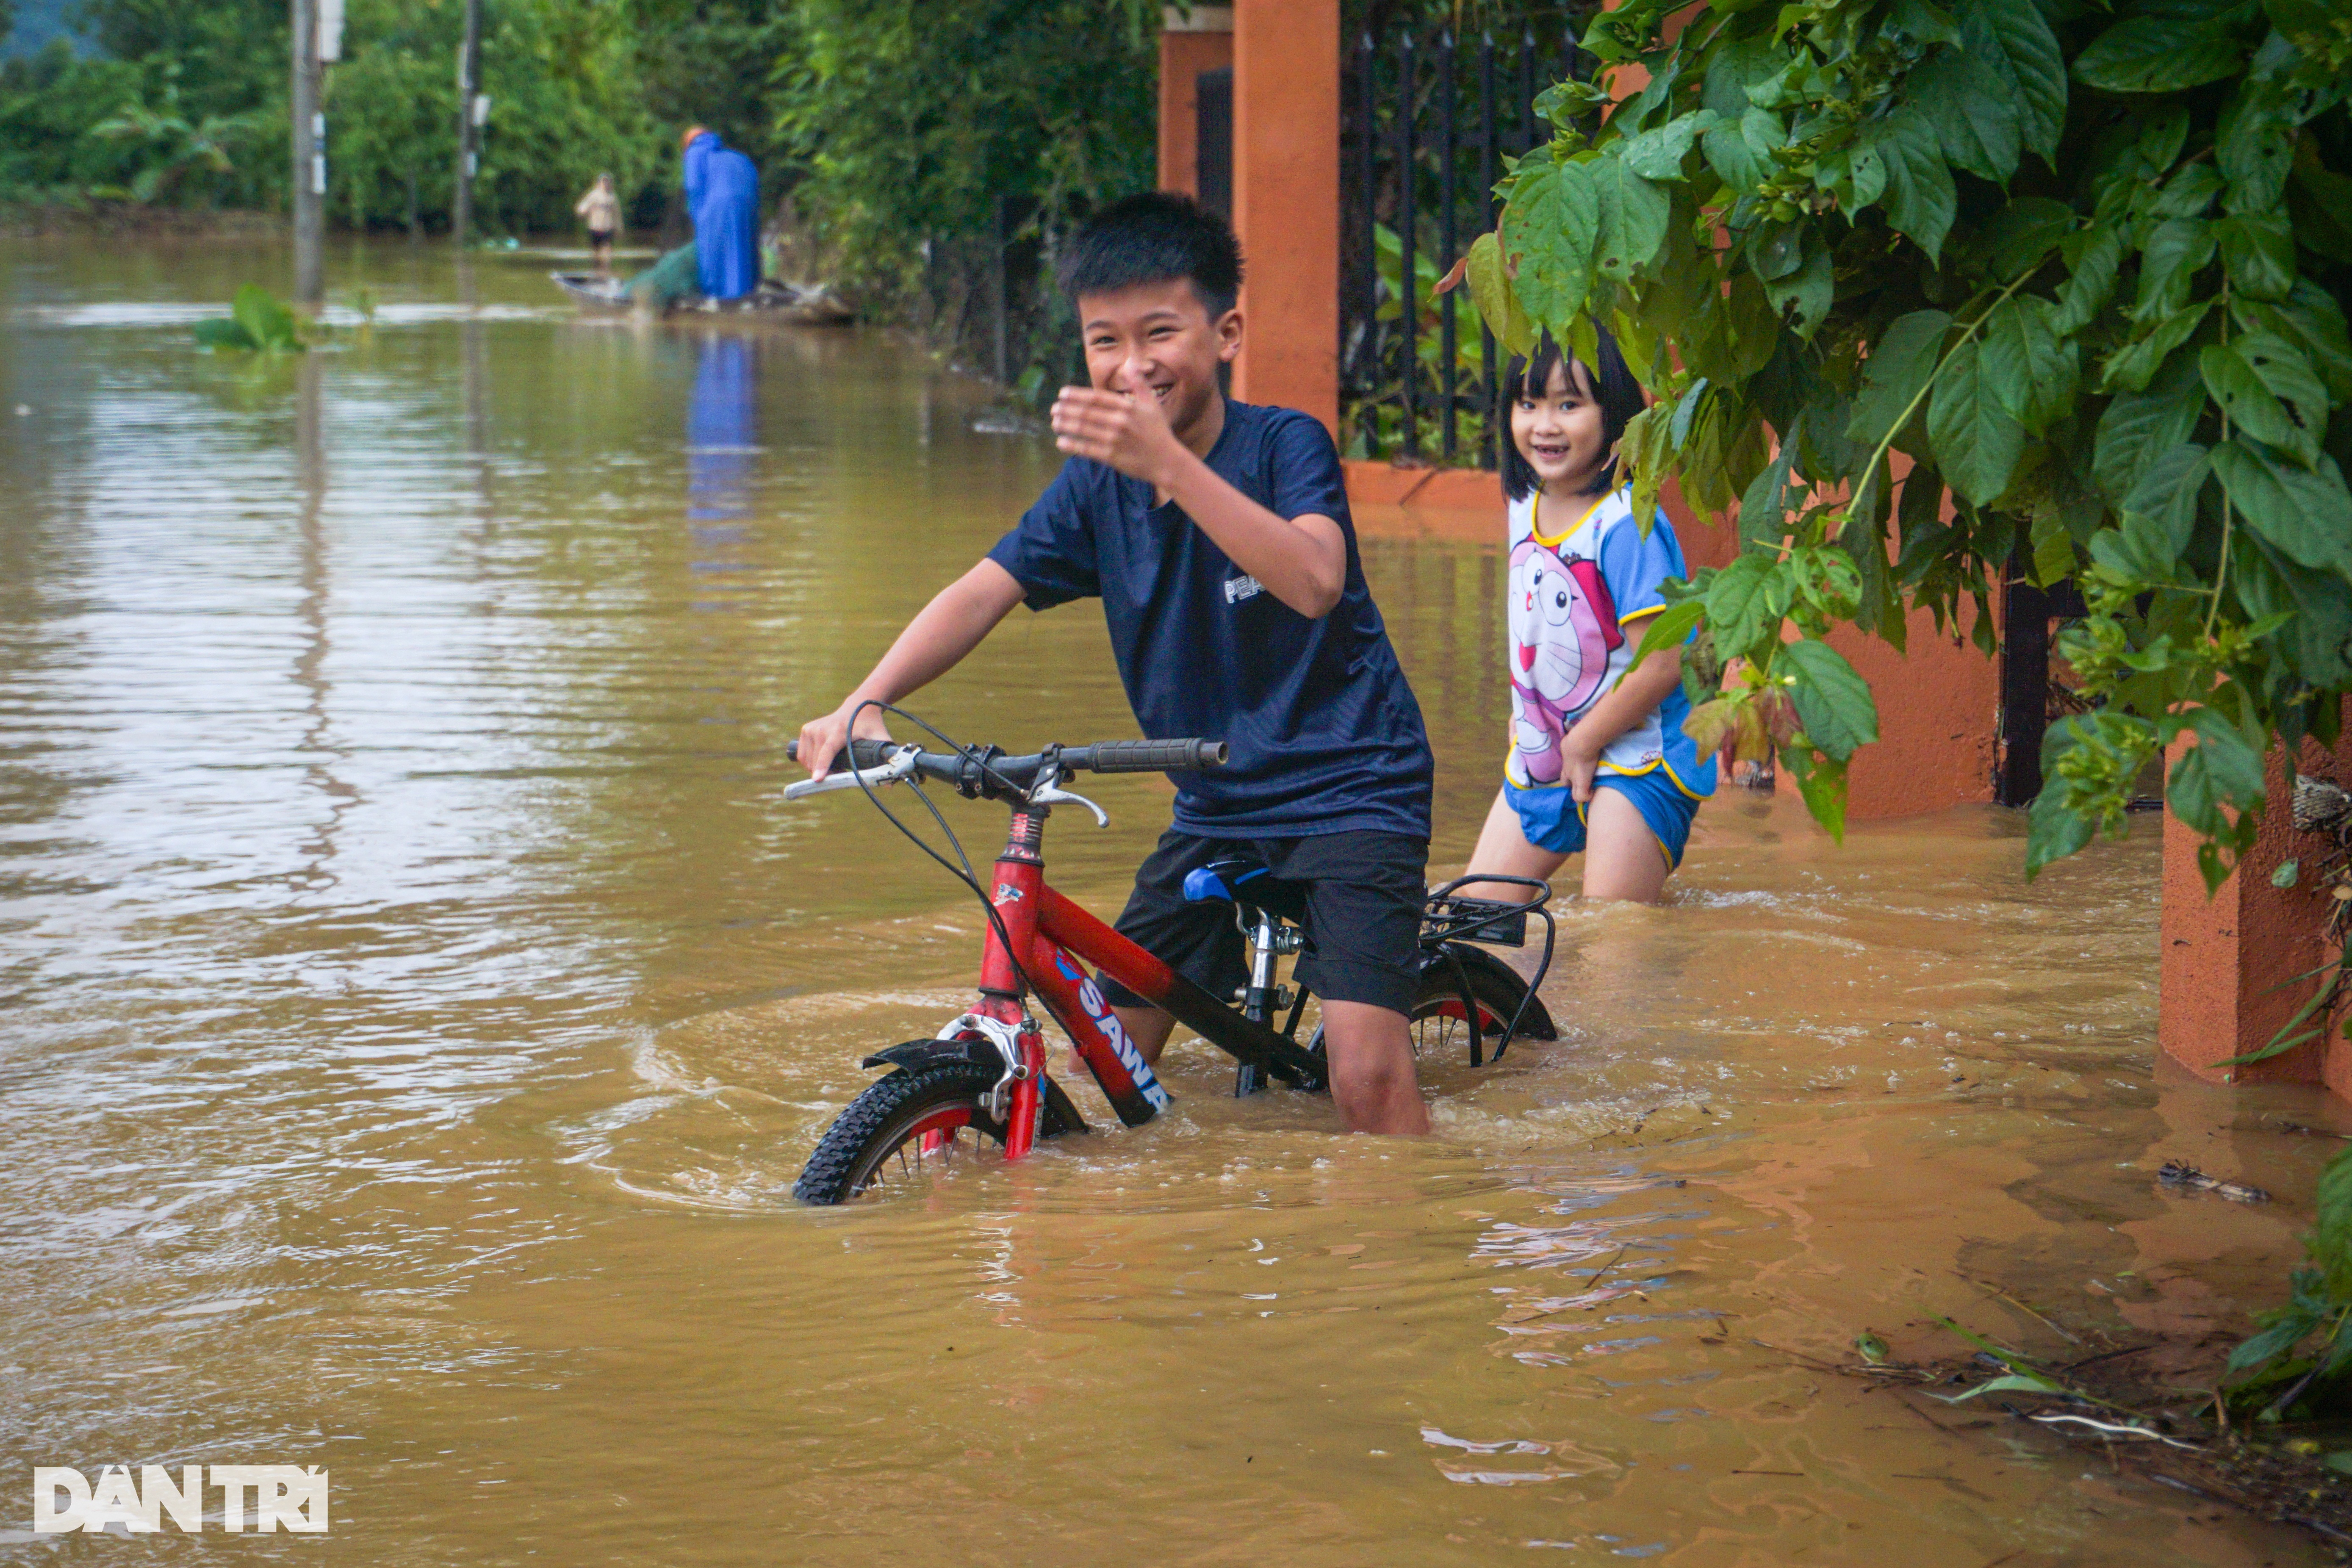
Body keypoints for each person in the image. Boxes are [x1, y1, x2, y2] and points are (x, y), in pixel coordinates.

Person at [795, 193, 1438, 1135]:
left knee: (1366, 1087)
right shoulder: (1096, 486)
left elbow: (1312, 580)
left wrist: (1169, 467)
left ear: (1225, 334)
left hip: (1353, 788)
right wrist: (863, 699)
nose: (1131, 365)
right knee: (1112, 1063)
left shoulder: (1282, 445)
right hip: (1215, 808)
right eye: (1104, 341)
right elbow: (984, 588)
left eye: (1160, 333)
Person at [1455, 331, 1716, 906]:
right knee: (1470, 924)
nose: (1544, 424)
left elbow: (1666, 661)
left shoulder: (1626, 522)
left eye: (1568, 404)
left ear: (1614, 414)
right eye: (1529, 403)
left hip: (1637, 758)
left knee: (1613, 942)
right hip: (1546, 748)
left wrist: (1587, 741)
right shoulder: (1524, 503)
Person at [680, 126, 760, 303]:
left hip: (717, 204)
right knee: (742, 249)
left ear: (689, 143)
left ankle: (717, 296)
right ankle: (744, 294)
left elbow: (693, 187)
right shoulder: (739, 158)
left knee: (713, 250)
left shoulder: (695, 153)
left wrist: (698, 217)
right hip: (748, 204)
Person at [574, 172, 620, 269]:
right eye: (604, 182)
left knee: (607, 254)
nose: (606, 184)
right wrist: (584, 212)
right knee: (596, 254)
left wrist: (619, 228)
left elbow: (617, 214)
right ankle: (596, 273)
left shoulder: (612, 197)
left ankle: (606, 273)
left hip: (608, 228)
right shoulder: (593, 196)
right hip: (595, 228)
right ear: (599, 183)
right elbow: (581, 209)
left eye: (608, 182)